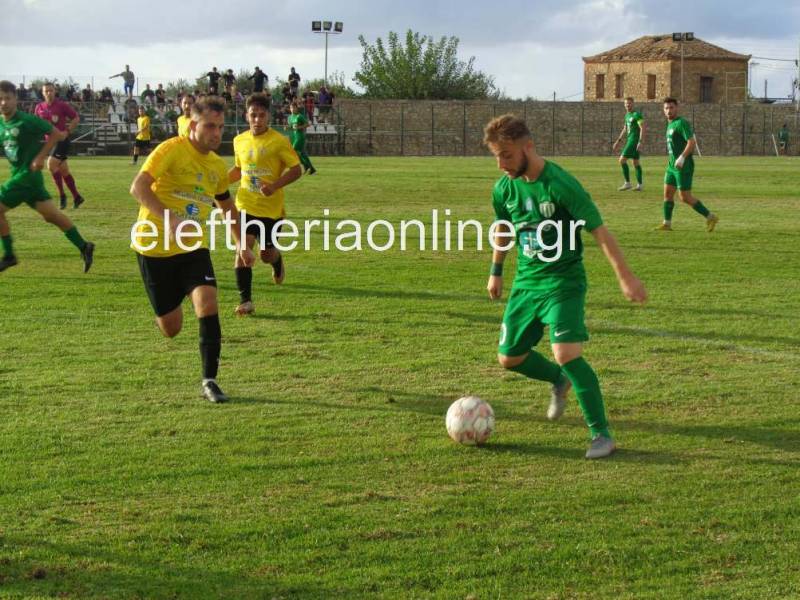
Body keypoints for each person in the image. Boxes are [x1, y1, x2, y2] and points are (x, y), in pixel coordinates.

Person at [483, 114, 647, 459]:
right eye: (496, 156)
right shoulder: (504, 187)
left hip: (563, 281)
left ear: (529, 146)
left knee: (566, 352)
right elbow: (502, 227)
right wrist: (496, 270)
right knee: (509, 358)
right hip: (526, 283)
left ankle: (601, 435)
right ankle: (559, 380)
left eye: (507, 155)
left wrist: (625, 277)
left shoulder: (560, 184)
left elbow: (600, 231)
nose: (501, 164)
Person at [129, 96, 254, 403]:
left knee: (208, 303)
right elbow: (139, 187)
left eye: (221, 127)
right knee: (171, 329)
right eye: (210, 125)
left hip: (192, 248)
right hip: (153, 249)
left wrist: (240, 244)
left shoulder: (215, 166)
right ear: (193, 124)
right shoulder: (171, 149)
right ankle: (168, 307)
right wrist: (168, 217)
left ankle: (210, 380)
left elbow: (226, 207)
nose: (216, 133)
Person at [0, 81, 95, 274]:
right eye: (0, 99)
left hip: (26, 178)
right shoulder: (2, 123)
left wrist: (40, 157)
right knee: (52, 216)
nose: (3, 102)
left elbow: (56, 134)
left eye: (7, 98)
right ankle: (85, 246)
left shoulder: (27, 120)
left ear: (16, 99)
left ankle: (9, 255)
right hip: (28, 180)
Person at [229, 93, 301, 316]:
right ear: (246, 116)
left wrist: (275, 185)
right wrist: (218, 184)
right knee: (243, 249)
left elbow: (297, 170)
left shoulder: (279, 141)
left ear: (268, 116)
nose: (257, 120)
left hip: (271, 209)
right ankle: (246, 301)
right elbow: (239, 170)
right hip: (245, 204)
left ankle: (277, 260)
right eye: (253, 115)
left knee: (266, 254)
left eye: (261, 115)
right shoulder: (239, 140)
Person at [657, 98, 718, 232]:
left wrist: (682, 158)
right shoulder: (670, 124)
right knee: (667, 194)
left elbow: (691, 142)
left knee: (684, 197)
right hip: (671, 166)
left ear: (677, 108)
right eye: (666, 108)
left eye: (671, 107)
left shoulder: (681, 123)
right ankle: (667, 224)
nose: (669, 111)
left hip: (683, 166)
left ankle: (710, 216)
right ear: (663, 110)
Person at [34, 82, 85, 210]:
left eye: (51, 90)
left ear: (55, 91)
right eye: (46, 91)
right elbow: (36, 124)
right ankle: (77, 197)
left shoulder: (61, 105)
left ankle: (62, 196)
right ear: (42, 93)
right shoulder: (39, 107)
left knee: (51, 165)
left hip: (62, 140)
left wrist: (67, 132)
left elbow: (76, 118)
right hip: (49, 143)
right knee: (64, 170)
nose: (49, 93)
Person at [612, 96, 645, 191]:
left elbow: (643, 128)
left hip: (634, 141)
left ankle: (627, 183)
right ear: (624, 105)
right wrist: (618, 141)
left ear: (633, 104)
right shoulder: (627, 115)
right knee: (636, 163)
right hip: (630, 140)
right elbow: (625, 129)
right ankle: (640, 185)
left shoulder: (637, 115)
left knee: (622, 160)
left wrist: (640, 141)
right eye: (626, 104)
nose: (627, 105)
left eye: (629, 103)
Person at [288, 101, 316, 175]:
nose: (292, 109)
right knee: (301, 154)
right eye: (291, 108)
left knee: (294, 151)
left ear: (297, 108)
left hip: (300, 136)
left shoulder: (299, 116)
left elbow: (307, 124)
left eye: (294, 107)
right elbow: (291, 127)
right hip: (294, 137)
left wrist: (299, 127)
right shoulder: (290, 117)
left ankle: (307, 166)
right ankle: (310, 168)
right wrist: (287, 127)